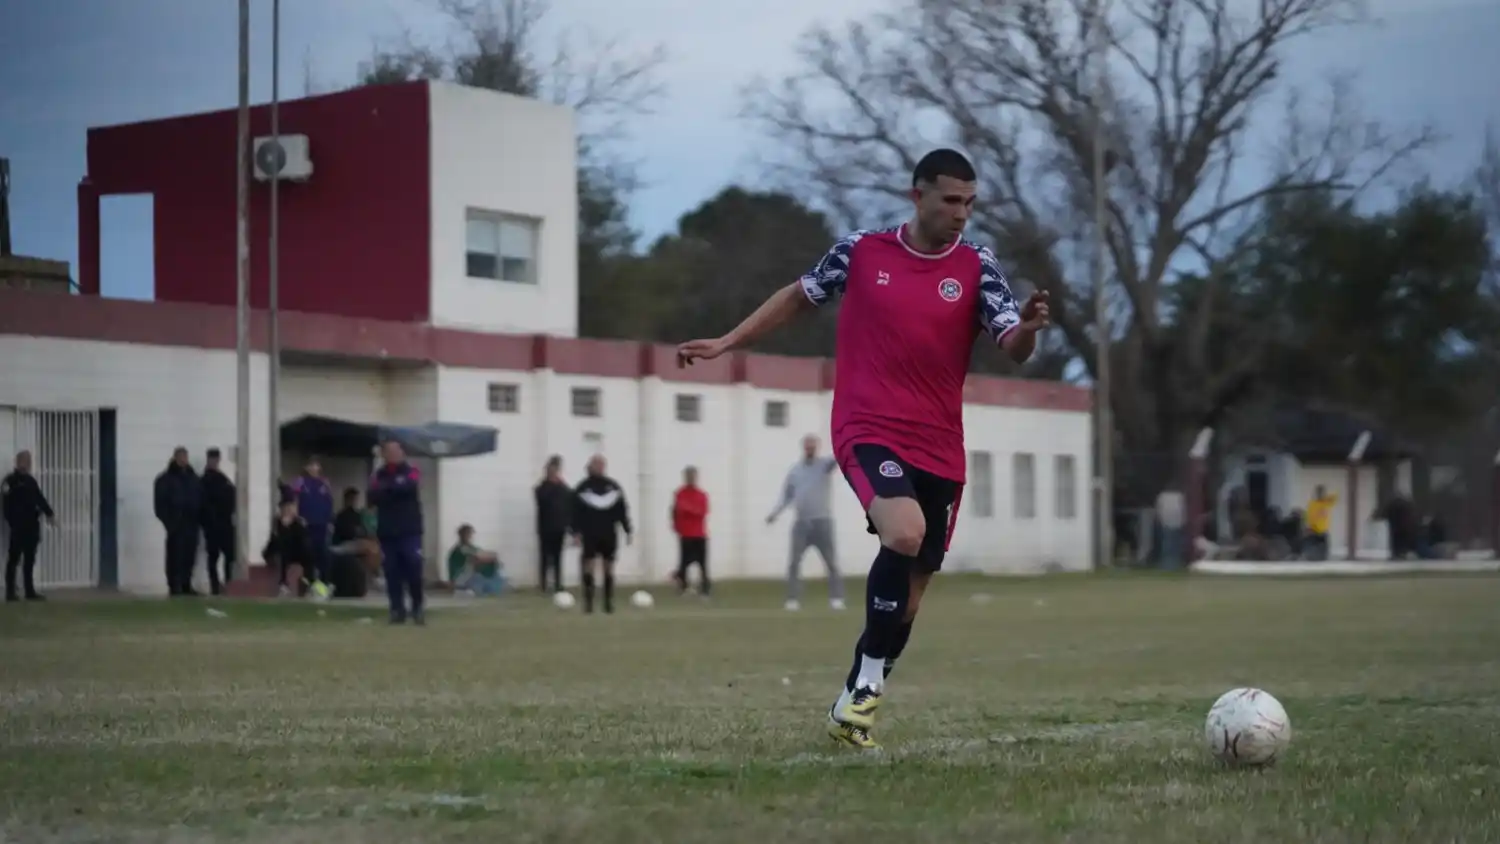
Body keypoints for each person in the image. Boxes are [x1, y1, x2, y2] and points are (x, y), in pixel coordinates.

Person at [676, 148, 1049, 750]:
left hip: (940, 446)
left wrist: (1028, 329)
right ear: (917, 195)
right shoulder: (862, 251)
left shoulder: (979, 266)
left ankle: (853, 703)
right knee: (902, 533)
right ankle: (869, 683)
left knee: (913, 592)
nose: (961, 214)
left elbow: (1011, 342)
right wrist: (729, 341)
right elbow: (799, 294)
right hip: (866, 424)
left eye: (970, 204)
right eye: (951, 200)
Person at [767, 434, 846, 612]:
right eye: (807, 446)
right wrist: (775, 513)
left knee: (831, 562)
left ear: (817, 448)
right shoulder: (795, 471)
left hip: (822, 522)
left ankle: (836, 598)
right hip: (801, 524)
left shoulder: (824, 466)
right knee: (794, 562)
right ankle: (793, 599)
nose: (810, 449)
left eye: (813, 446)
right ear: (803, 448)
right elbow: (786, 496)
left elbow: (839, 458)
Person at [369, 440, 426, 625]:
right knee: (392, 572)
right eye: (389, 451)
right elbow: (372, 496)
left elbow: (406, 488)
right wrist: (389, 489)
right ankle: (397, 609)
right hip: (387, 531)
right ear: (384, 454)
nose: (393, 454)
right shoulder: (379, 474)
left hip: (409, 530)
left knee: (413, 565)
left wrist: (387, 489)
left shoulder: (412, 471)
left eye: (396, 450)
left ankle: (417, 607)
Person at [570, 455, 632, 614]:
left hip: (609, 533)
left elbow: (622, 510)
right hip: (589, 533)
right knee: (588, 567)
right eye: (595, 464)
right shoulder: (582, 487)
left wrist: (627, 529)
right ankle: (588, 603)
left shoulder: (613, 487)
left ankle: (608, 602)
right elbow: (574, 512)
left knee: (608, 568)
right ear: (590, 466)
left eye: (601, 464)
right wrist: (575, 532)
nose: (598, 467)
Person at [2, 450, 55, 602]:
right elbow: (5, 506)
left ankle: (29, 591)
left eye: (29, 461)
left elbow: (39, 498)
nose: (27, 464)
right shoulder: (10, 481)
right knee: (14, 559)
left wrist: (49, 514)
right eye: (24, 461)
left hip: (32, 526)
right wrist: (12, 522)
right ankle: (10, 592)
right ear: (17, 462)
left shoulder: (31, 481)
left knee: (30, 560)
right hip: (18, 527)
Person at [153, 447, 203, 597]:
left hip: (191, 525)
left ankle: (186, 584)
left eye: (185, 457)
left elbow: (201, 499)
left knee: (190, 555)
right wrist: (170, 523)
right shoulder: (165, 479)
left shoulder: (193, 478)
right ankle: (174, 586)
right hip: (176, 526)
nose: (184, 460)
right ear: (175, 458)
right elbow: (159, 505)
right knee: (175, 556)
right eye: (181, 457)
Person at [291, 457, 334, 587]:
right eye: (311, 465)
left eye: (316, 465)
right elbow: (294, 500)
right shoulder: (300, 482)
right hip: (307, 523)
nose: (314, 468)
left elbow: (329, 502)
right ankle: (308, 582)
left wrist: (330, 521)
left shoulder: (324, 483)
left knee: (323, 554)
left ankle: (325, 583)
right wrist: (297, 517)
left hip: (322, 524)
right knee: (308, 553)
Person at [199, 447, 237, 595]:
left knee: (230, 556)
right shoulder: (204, 480)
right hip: (212, 525)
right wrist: (206, 522)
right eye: (212, 459)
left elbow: (233, 496)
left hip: (226, 523)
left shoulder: (222, 478)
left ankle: (228, 584)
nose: (214, 462)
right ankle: (215, 586)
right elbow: (202, 504)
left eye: (216, 459)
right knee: (213, 556)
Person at [671, 466, 710, 597]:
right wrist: (676, 525)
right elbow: (676, 510)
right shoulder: (679, 494)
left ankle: (705, 590)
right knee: (684, 563)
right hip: (685, 534)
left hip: (699, 534)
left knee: (703, 564)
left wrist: (689, 509)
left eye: (693, 476)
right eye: (688, 476)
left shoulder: (702, 495)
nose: (691, 479)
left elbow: (702, 512)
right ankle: (683, 587)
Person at [533, 456, 571, 594]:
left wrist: (570, 526)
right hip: (545, 527)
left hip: (559, 527)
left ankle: (558, 583)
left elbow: (569, 504)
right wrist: (551, 483)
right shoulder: (542, 487)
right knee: (544, 556)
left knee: (557, 557)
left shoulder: (563, 487)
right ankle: (543, 584)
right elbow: (542, 499)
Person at [262, 496, 314, 595]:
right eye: (288, 508)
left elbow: (302, 537)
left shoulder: (298, 522)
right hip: (281, 550)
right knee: (283, 552)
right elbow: (277, 540)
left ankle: (308, 582)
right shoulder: (278, 522)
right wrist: (284, 527)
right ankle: (283, 583)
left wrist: (298, 525)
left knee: (309, 553)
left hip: (295, 550)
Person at [447, 524, 506, 596]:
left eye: (470, 534)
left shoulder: (472, 548)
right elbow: (475, 559)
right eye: (467, 534)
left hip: (472, 577)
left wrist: (491, 558)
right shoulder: (459, 550)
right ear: (461, 535)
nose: (469, 536)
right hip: (462, 580)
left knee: (495, 571)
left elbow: (484, 554)